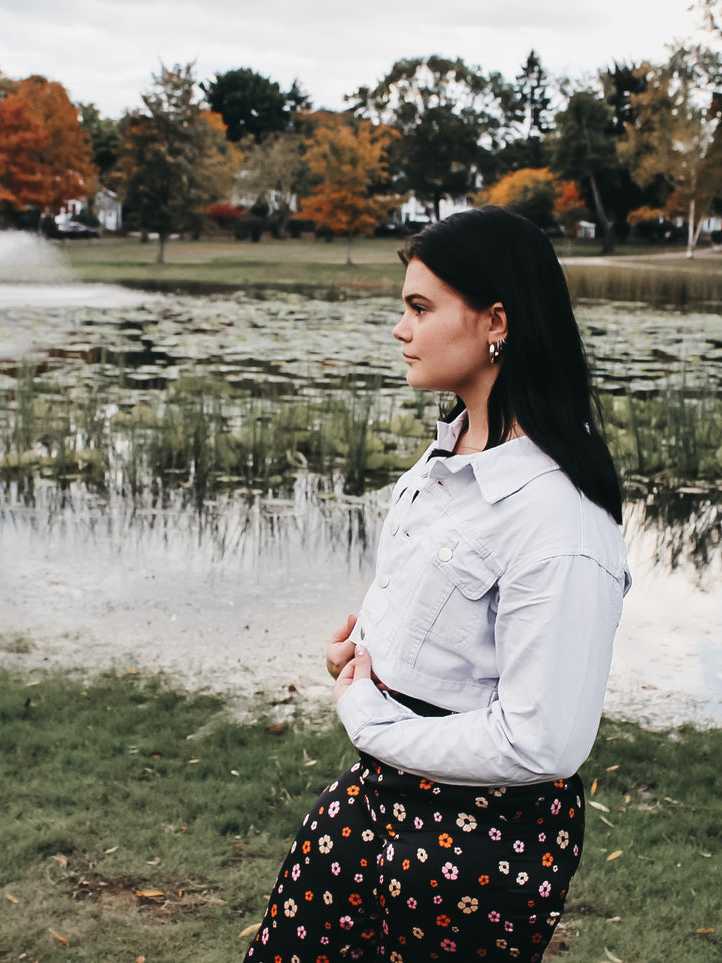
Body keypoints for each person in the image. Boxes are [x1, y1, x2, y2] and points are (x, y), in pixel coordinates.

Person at [244, 206, 629, 962]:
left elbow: (543, 740)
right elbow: (440, 617)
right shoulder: (447, 457)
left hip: (479, 842)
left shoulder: (561, 519)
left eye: (420, 308)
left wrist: (369, 718)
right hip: (377, 797)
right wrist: (366, 656)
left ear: (496, 323)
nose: (400, 329)